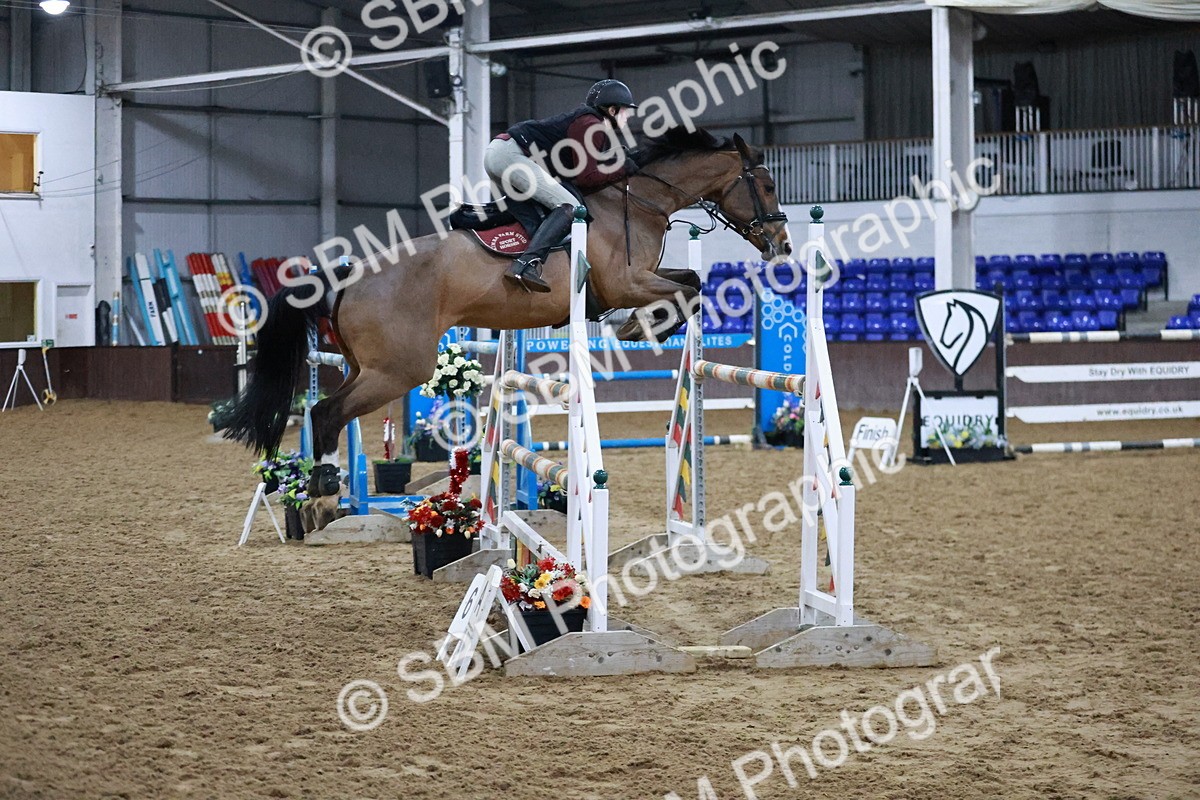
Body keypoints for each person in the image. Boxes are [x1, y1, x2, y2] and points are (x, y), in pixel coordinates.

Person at [484, 79, 638, 293]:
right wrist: (622, 169)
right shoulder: (591, 125)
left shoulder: (589, 124)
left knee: (542, 211)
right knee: (572, 208)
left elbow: (578, 172)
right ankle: (526, 264)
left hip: (503, 153)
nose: (629, 117)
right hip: (510, 156)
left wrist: (612, 159)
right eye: (626, 112)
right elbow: (586, 179)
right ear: (612, 110)